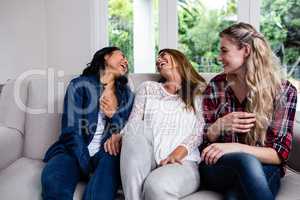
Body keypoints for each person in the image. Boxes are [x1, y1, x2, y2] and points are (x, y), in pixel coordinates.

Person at [200, 22, 298, 200]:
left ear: (245, 50)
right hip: (219, 166)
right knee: (245, 161)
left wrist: (236, 147)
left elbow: (279, 154)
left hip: (265, 166)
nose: (219, 57)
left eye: (224, 50)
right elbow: (203, 139)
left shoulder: (284, 91)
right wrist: (220, 125)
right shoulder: (217, 85)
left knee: (234, 196)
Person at [41, 47, 134, 200]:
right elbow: (70, 129)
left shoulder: (126, 95)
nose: (126, 60)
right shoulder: (79, 85)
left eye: (126, 59)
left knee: (102, 191)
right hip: (72, 150)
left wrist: (113, 115)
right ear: (105, 57)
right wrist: (85, 163)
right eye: (121, 55)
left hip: (107, 154)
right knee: (53, 182)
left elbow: (123, 131)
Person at [120, 48, 207, 200]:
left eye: (163, 56)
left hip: (182, 162)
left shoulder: (198, 91)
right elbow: (134, 121)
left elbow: (199, 130)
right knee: (135, 129)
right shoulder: (148, 88)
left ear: (179, 60)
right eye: (157, 59)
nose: (158, 60)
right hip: (146, 159)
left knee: (155, 187)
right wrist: (120, 135)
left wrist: (178, 153)